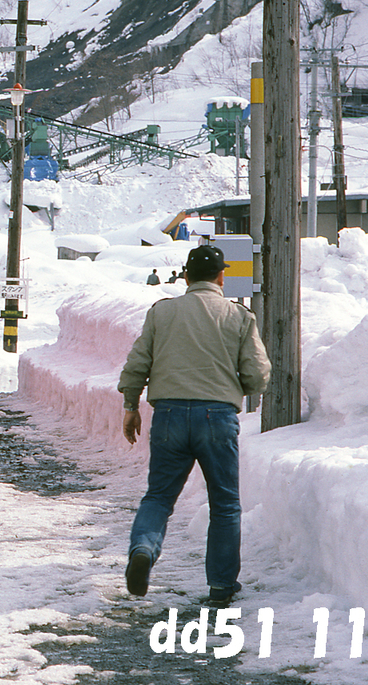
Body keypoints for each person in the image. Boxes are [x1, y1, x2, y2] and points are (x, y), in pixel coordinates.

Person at [118, 245, 271, 607]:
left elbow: (137, 363)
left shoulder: (162, 312)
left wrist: (130, 406)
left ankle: (143, 549)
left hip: (169, 415)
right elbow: (258, 373)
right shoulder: (239, 316)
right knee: (225, 504)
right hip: (216, 418)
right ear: (221, 277)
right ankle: (221, 586)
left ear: (185, 277)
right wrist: (238, 388)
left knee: (158, 497)